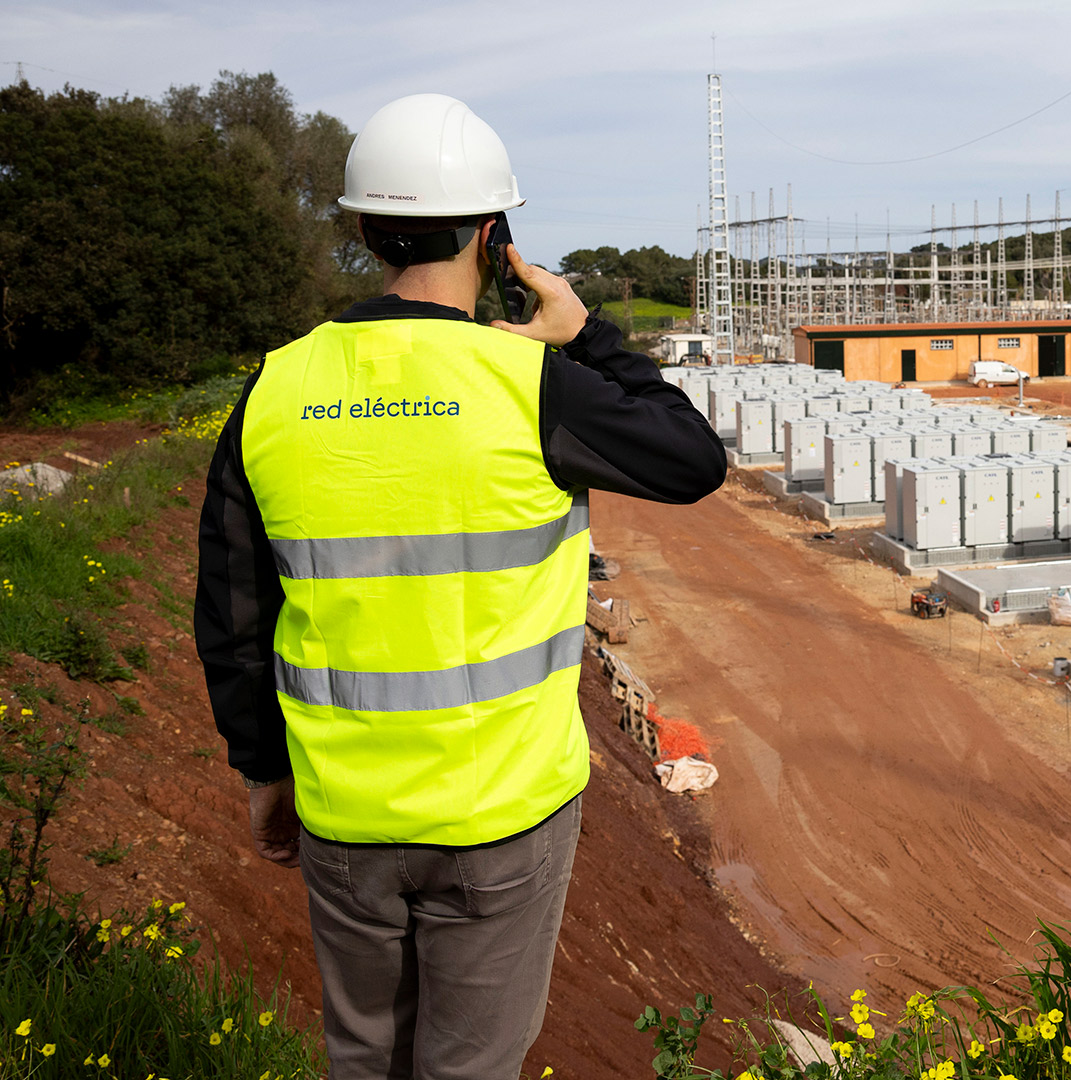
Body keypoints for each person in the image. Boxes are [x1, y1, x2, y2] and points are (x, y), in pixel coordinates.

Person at [195, 94, 725, 1078]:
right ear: (495, 234)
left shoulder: (273, 389)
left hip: (344, 808)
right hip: (502, 816)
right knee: (470, 1065)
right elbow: (692, 459)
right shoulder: (527, 384)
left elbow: (233, 609)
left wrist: (262, 769)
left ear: (363, 232)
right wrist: (584, 334)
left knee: (363, 1053)